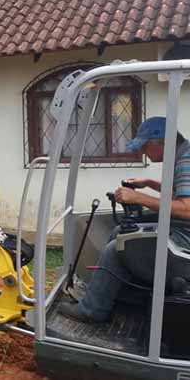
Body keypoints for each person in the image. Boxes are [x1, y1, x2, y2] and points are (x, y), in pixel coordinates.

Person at [59, 116, 190, 322]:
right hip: (182, 230)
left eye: (144, 147)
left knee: (118, 247)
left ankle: (92, 311)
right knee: (121, 232)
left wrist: (138, 197)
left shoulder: (186, 161)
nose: (142, 152)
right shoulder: (183, 154)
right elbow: (180, 193)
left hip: (184, 241)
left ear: (162, 143)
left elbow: (187, 209)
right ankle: (109, 292)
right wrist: (148, 183)